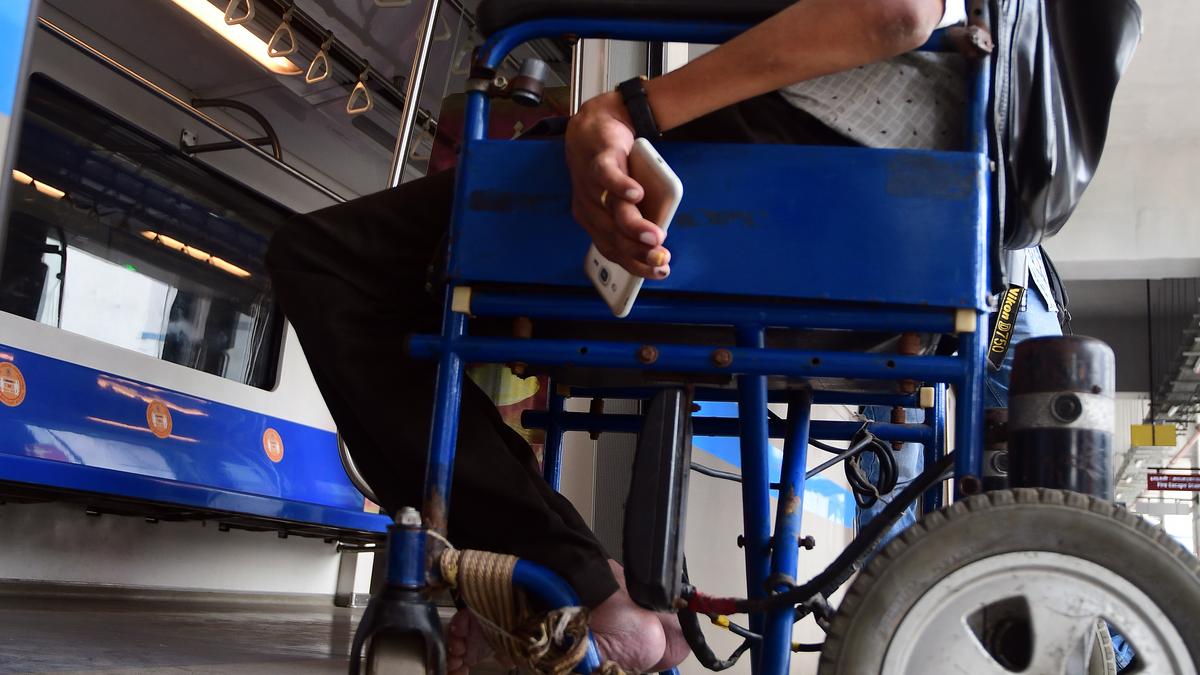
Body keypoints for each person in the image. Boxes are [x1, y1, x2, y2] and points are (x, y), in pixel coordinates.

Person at [265, 0, 1065, 672]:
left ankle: (574, 584)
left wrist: (628, 108)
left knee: (329, 265)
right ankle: (582, 581)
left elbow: (893, 10)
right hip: (921, 221)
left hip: (807, 164)